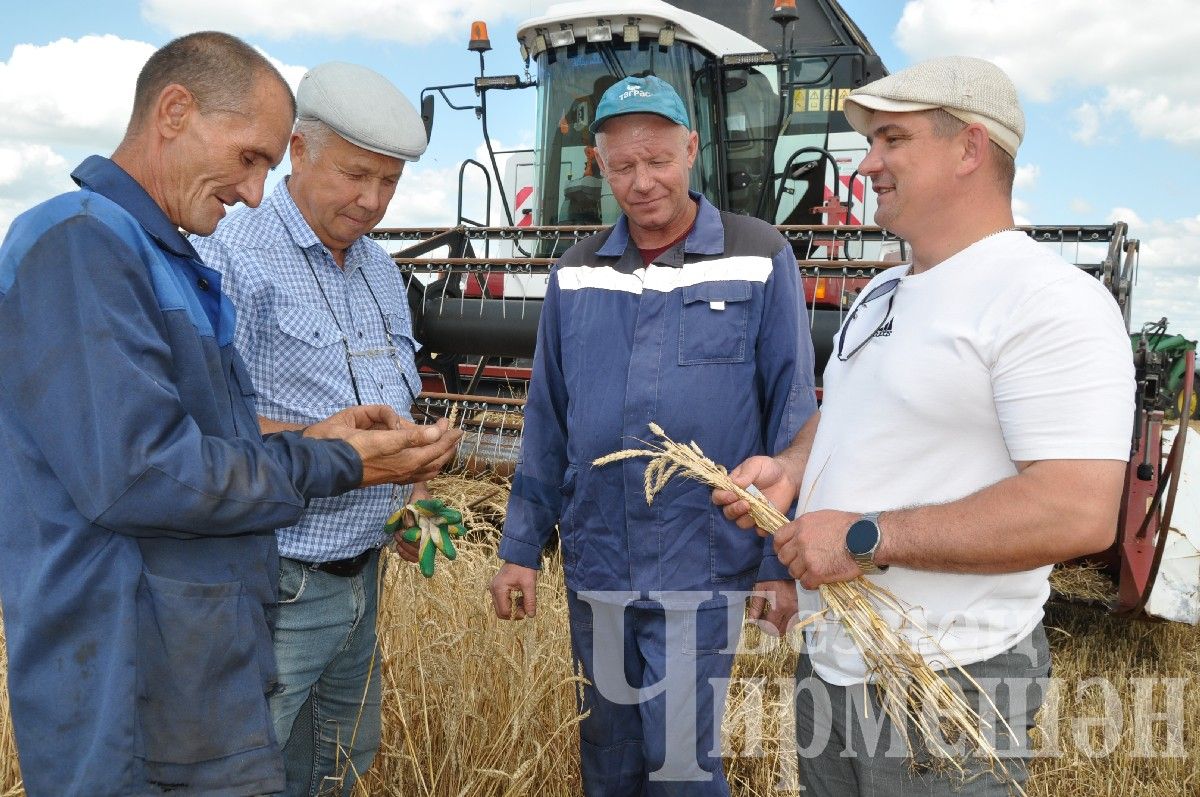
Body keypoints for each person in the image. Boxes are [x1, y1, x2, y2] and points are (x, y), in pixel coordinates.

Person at [0, 33, 460, 796]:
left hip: (200, 644)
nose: (253, 191)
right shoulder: (81, 242)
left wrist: (342, 446)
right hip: (129, 658)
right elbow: (143, 473)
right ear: (174, 111)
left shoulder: (165, 257)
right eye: (250, 158)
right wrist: (342, 460)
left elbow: (206, 437)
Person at [714, 56, 1134, 795]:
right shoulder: (880, 291)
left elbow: (1078, 508)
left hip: (947, 681)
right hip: (833, 664)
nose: (868, 163)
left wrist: (862, 537)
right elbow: (848, 415)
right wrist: (792, 469)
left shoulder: (1047, 301)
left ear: (970, 147)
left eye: (892, 140)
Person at [490, 75, 817, 795]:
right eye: (622, 166)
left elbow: (791, 411)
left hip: (701, 563)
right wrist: (520, 549)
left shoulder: (758, 255)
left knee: (680, 767)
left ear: (692, 149)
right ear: (599, 167)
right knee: (607, 761)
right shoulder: (576, 274)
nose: (642, 182)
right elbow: (547, 418)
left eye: (659, 160)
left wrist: (777, 560)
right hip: (599, 560)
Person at [191, 61, 431, 797]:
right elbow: (201, 422)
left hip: (361, 574)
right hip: (276, 580)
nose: (372, 201)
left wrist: (408, 480)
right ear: (298, 150)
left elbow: (384, 399)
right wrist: (338, 451)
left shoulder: (380, 271)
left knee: (339, 764)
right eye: (356, 175)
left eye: (389, 182)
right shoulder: (232, 255)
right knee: (245, 770)